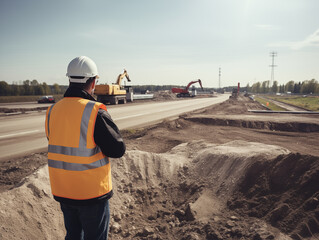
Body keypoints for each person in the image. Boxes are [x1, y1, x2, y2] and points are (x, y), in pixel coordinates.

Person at [45, 56, 126, 240]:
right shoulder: (94, 111)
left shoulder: (52, 111)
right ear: (93, 81)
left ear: (70, 80)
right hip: (91, 194)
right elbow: (117, 149)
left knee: (73, 236)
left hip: (64, 191)